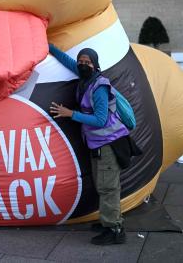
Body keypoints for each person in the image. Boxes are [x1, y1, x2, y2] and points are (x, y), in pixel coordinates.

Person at [48, 45, 129, 246]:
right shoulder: (85, 78)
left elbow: (100, 120)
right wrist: (46, 44)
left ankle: (115, 229)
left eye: (87, 62)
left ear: (95, 64)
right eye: (81, 62)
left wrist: (70, 114)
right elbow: (67, 60)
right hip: (97, 144)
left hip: (109, 144)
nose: (83, 65)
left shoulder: (99, 86)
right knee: (102, 185)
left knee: (108, 187)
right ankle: (107, 221)